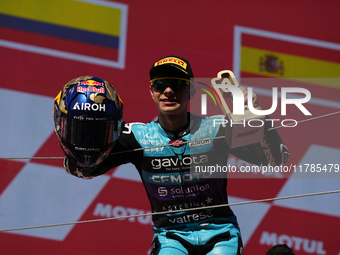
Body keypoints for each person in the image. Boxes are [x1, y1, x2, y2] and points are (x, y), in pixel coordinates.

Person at [54, 56, 289, 255]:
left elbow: (275, 159)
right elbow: (83, 168)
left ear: (192, 89)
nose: (168, 90)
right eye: (161, 84)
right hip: (171, 238)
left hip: (221, 233)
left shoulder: (217, 128)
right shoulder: (136, 135)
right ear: (151, 91)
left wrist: (258, 116)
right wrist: (85, 127)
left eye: (176, 83)